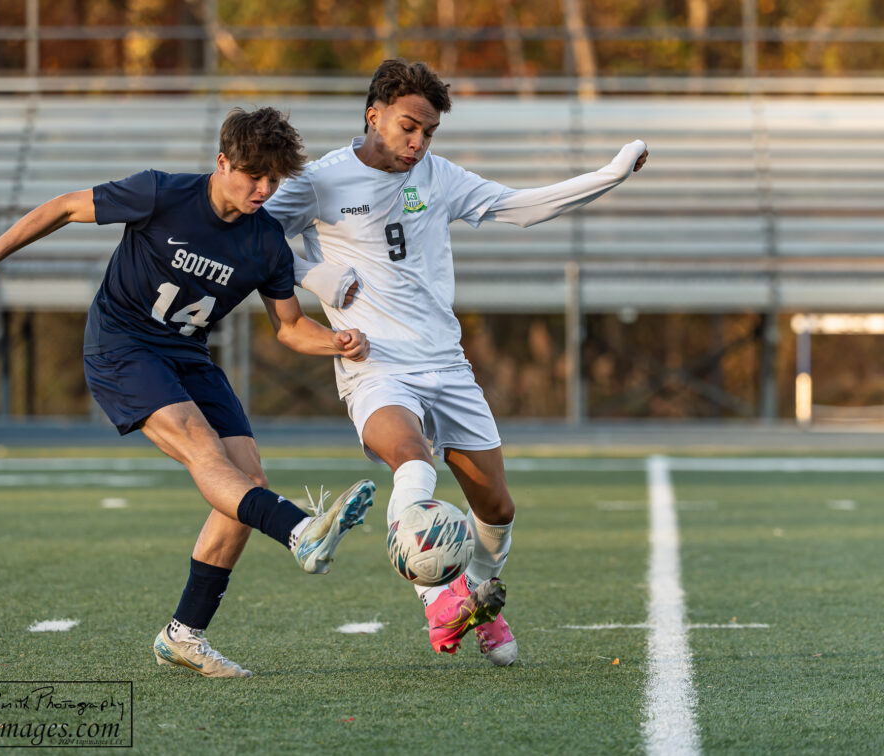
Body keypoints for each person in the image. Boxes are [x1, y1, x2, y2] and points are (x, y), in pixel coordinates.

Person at [0, 106, 376, 679]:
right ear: (222, 163)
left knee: (247, 482)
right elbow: (65, 207)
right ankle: (298, 529)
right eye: (253, 174)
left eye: (274, 179)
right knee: (204, 449)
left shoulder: (267, 240)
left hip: (189, 354)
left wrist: (338, 342)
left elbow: (289, 328)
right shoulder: (160, 194)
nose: (264, 188)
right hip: (121, 345)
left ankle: (183, 634)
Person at [267, 59, 649, 667]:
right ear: (374, 115)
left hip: (446, 364)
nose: (417, 143)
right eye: (407, 127)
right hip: (375, 365)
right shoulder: (320, 182)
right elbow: (249, 238)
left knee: (496, 507)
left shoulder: (438, 178)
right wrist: (313, 273)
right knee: (412, 461)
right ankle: (438, 600)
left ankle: (475, 598)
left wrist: (609, 175)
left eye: (428, 132)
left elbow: (522, 208)